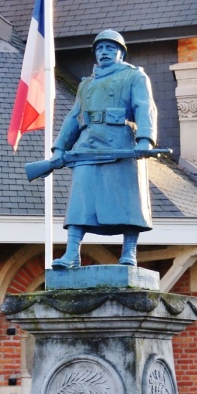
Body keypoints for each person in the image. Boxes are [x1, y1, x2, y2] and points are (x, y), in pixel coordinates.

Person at [51, 29, 157, 269]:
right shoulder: (86, 84)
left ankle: (129, 252)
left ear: (120, 53)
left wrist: (144, 140)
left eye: (110, 48)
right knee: (80, 199)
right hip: (87, 146)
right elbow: (74, 116)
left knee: (128, 201)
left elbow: (144, 107)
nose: (104, 52)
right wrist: (59, 148)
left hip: (120, 145)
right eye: (100, 48)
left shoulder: (134, 77)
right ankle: (71, 254)